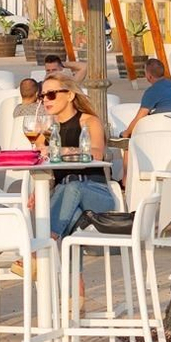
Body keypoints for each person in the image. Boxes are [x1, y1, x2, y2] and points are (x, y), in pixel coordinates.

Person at [39, 73, 116, 238]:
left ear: (70, 95)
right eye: (42, 96)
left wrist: (64, 151)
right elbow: (41, 161)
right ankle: (55, 254)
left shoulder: (89, 122)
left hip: (95, 191)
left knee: (73, 186)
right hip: (62, 194)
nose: (46, 100)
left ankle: (40, 248)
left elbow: (97, 154)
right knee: (73, 216)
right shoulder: (46, 128)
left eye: (51, 94)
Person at [123, 57, 171, 137]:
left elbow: (139, 118)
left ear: (149, 76)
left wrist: (126, 133)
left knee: (133, 134)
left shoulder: (151, 92)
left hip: (164, 129)